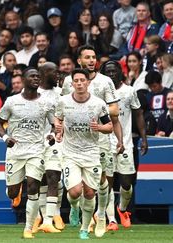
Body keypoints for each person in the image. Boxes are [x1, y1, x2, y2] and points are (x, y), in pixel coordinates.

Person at [61, 45, 121, 238]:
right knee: (77, 189)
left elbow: (114, 110)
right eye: (87, 57)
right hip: (74, 141)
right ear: (79, 60)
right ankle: (75, 207)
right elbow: (63, 108)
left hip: (99, 138)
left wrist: (92, 109)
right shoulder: (69, 83)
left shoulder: (105, 82)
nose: (91, 60)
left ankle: (101, 215)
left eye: (94, 57)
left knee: (101, 180)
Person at [0, 68, 55, 239]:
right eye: (32, 76)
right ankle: (15, 192)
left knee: (33, 186)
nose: (36, 78)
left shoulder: (46, 103)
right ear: (23, 79)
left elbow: (53, 124)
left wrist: (50, 135)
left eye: (38, 76)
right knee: (13, 192)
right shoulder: (12, 101)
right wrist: (6, 137)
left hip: (36, 150)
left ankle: (29, 228)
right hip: (15, 151)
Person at [55, 68, 113, 240]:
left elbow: (109, 126)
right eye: (76, 81)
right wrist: (58, 129)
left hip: (91, 153)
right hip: (70, 153)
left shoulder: (98, 104)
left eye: (82, 80)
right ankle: (74, 207)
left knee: (88, 193)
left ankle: (85, 228)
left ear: (88, 83)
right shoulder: (63, 102)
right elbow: (58, 118)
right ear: (72, 83)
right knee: (74, 192)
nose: (79, 83)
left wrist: (100, 128)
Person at [99, 60, 148, 230]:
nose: (111, 74)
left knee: (127, 184)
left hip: (125, 143)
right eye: (108, 72)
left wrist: (144, 138)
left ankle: (122, 209)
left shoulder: (129, 91)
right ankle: (111, 220)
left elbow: (138, 114)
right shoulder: (100, 93)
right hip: (105, 144)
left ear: (120, 72)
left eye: (114, 71)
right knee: (107, 184)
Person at [36, 62, 65, 232]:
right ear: (44, 73)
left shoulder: (61, 93)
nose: (58, 75)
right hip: (37, 142)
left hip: (58, 140)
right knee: (41, 179)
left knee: (54, 176)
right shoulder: (35, 93)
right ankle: (43, 215)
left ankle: (56, 213)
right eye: (54, 72)